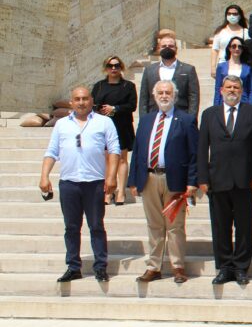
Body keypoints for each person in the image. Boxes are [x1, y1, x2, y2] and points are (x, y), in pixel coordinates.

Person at [41, 86, 120, 283]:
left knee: (96, 226)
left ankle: (100, 267)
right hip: (69, 183)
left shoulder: (104, 122)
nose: (81, 102)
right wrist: (44, 176)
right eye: (77, 99)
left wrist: (111, 177)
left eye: (85, 98)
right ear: (71, 102)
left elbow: (114, 150)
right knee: (71, 227)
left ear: (91, 100)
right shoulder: (61, 125)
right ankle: (73, 266)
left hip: (94, 183)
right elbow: (51, 152)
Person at [129, 80, 198, 284]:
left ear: (175, 95)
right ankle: (154, 267)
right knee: (154, 225)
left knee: (175, 225)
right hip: (149, 178)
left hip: (174, 180)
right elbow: (138, 151)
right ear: (154, 95)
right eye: (160, 92)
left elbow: (195, 153)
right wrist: (133, 180)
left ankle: (177, 267)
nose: (164, 95)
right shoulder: (146, 120)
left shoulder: (185, 120)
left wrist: (192, 181)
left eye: (168, 92)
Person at [197, 76, 252, 285]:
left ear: (242, 90)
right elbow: (201, 148)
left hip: (245, 180)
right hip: (218, 179)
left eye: (236, 87)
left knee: (244, 226)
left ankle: (242, 267)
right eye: (228, 87)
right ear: (221, 90)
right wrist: (202, 177)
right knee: (220, 226)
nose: (232, 90)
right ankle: (225, 267)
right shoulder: (209, 115)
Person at [92, 56, 136, 205]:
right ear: (106, 68)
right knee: (106, 158)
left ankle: (121, 192)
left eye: (117, 66)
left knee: (122, 159)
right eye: (110, 66)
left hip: (121, 125)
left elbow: (132, 105)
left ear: (121, 67)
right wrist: (102, 109)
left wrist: (114, 109)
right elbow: (93, 103)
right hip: (103, 125)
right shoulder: (99, 86)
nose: (113, 68)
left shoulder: (128, 86)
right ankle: (108, 192)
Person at [139, 32, 199, 116]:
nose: (167, 48)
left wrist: (191, 119)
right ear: (158, 49)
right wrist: (143, 120)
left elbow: (194, 97)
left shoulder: (188, 70)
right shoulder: (149, 70)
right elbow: (144, 98)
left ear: (176, 49)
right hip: (154, 116)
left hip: (180, 116)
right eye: (164, 46)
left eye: (171, 46)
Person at [213, 36, 252, 106]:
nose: (237, 49)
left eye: (240, 47)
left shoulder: (248, 68)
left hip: (243, 103)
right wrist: (216, 106)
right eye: (234, 46)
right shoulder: (221, 66)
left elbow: (251, 90)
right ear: (229, 48)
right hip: (224, 102)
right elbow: (218, 89)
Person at [210, 4, 248, 75]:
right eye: (229, 14)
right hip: (223, 64)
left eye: (235, 14)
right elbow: (215, 49)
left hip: (240, 65)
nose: (232, 16)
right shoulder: (220, 31)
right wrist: (213, 67)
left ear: (240, 16)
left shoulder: (245, 32)